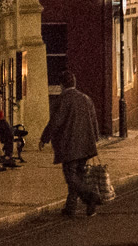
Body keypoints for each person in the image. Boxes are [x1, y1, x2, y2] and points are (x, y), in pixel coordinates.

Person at [38, 71, 102, 216]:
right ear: (74, 83)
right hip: (85, 144)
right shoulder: (86, 98)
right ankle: (71, 207)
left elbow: (55, 122)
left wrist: (44, 138)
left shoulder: (62, 100)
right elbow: (93, 120)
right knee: (79, 175)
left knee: (71, 177)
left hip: (70, 144)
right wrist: (95, 139)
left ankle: (90, 196)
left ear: (61, 85)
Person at [0, 87, 23, 165]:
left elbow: (1, 118)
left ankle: (6, 156)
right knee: (6, 128)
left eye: (1, 97)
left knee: (7, 129)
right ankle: (7, 156)